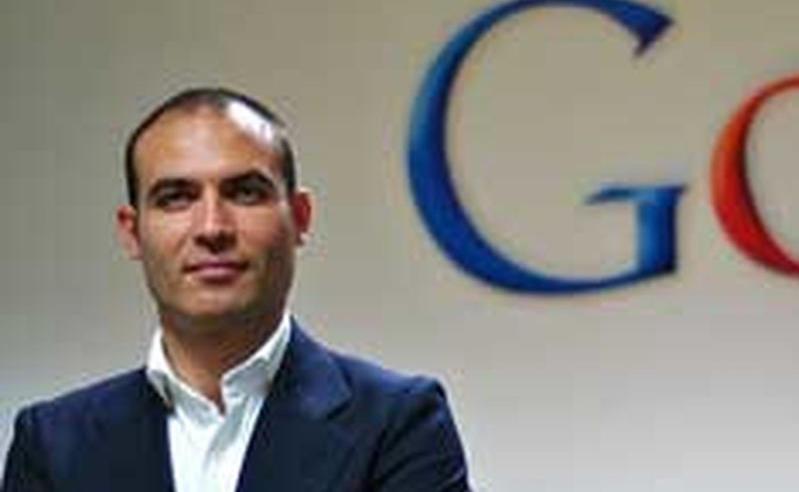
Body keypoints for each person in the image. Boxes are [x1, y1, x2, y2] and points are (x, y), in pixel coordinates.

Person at [1, 88, 471, 492]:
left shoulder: (398, 424)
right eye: (176, 198)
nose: (212, 228)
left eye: (245, 193)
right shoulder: (51, 444)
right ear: (132, 232)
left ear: (300, 218)